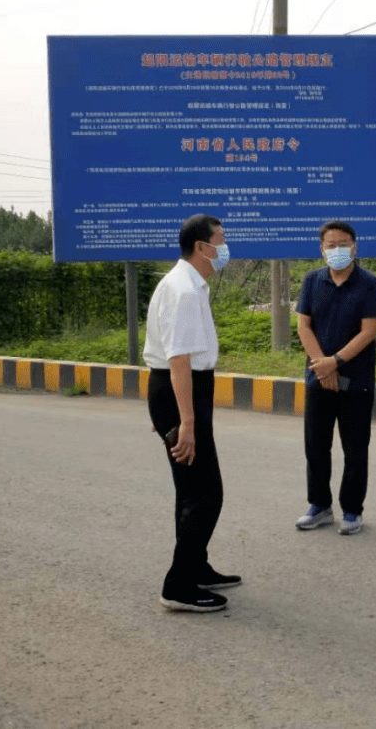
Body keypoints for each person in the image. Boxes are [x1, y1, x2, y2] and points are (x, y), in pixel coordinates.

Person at [143, 214, 240, 612]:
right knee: (206, 494)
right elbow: (178, 358)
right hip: (180, 389)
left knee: (191, 490)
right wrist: (186, 422)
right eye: (221, 239)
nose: (225, 247)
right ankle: (179, 585)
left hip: (180, 390)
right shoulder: (183, 289)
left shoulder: (191, 285)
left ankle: (195, 565)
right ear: (202, 246)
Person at [295, 221, 376, 536]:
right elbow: (303, 327)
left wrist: (334, 362)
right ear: (322, 249)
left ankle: (352, 510)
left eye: (343, 243)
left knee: (355, 448)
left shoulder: (370, 284)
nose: (337, 250)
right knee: (316, 446)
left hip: (356, 379)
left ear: (355, 247)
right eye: (331, 244)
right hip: (317, 377)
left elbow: (369, 331)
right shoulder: (312, 281)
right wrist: (322, 367)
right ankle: (319, 506)